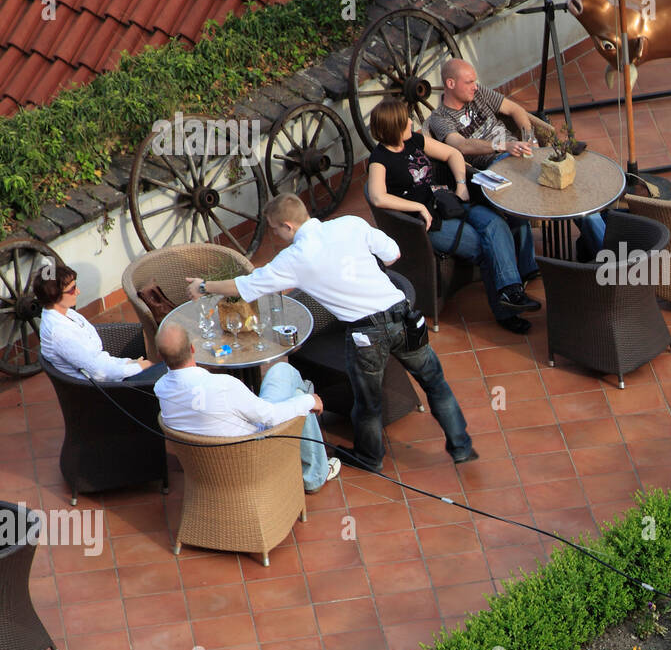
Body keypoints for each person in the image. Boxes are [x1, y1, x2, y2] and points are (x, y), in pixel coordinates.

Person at [184, 193, 476, 473]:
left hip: (366, 334)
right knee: (435, 382)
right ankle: (461, 446)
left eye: (275, 230)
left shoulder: (294, 257)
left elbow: (243, 286)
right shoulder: (351, 223)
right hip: (404, 317)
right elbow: (392, 254)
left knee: (368, 402)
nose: (276, 235)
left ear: (288, 226)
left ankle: (370, 457)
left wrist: (202, 286)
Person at [366, 97, 541, 335]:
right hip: (425, 225)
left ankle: (512, 291)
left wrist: (461, 184)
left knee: (495, 223)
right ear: (393, 126)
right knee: (484, 247)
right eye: (405, 119)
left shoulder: (415, 140)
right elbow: (377, 197)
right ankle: (505, 312)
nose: (410, 122)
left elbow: (453, 154)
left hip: (445, 203)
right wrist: (417, 207)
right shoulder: (380, 160)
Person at [426, 58, 607, 259]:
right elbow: (460, 145)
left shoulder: (479, 94)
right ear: (450, 84)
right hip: (497, 166)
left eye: (475, 81)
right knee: (521, 202)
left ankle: (608, 255)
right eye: (469, 82)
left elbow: (515, 110)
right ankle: (530, 268)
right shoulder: (439, 118)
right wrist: (503, 146)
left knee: (574, 194)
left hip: (522, 153)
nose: (475, 87)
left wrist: (531, 140)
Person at [153, 323, 341, 492]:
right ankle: (314, 476)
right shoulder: (223, 386)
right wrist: (309, 401)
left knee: (291, 390)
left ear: (160, 356)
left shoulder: (160, 388)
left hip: (206, 470)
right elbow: (271, 417)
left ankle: (306, 395)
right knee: (292, 386)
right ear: (193, 348)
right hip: (254, 457)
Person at [36, 264, 165, 383]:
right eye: (72, 289)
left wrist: (128, 363)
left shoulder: (66, 313)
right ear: (55, 295)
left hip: (114, 371)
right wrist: (138, 367)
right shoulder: (59, 333)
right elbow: (100, 373)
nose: (78, 292)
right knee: (175, 370)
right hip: (110, 389)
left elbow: (98, 359)